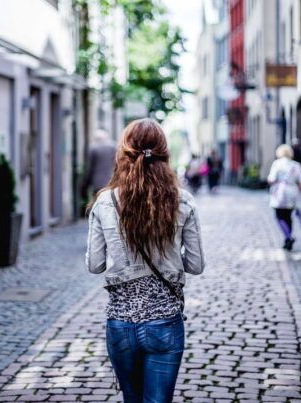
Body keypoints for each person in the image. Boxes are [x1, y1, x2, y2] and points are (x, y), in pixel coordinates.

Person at [86, 118, 205, 403]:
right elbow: (196, 265)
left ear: (124, 153)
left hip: (121, 323)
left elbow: (95, 265)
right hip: (165, 321)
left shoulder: (105, 202)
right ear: (164, 153)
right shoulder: (182, 201)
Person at [267, 144, 301, 251]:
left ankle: (288, 237)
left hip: (280, 192)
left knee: (279, 216)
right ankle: (287, 238)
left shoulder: (277, 164)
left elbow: (271, 179)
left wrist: (274, 182)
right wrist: (298, 189)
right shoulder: (296, 165)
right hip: (292, 192)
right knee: (288, 216)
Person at [84, 129, 116, 195]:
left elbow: (90, 167)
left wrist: (86, 184)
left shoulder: (93, 148)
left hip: (97, 183)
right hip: (111, 180)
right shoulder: (113, 146)